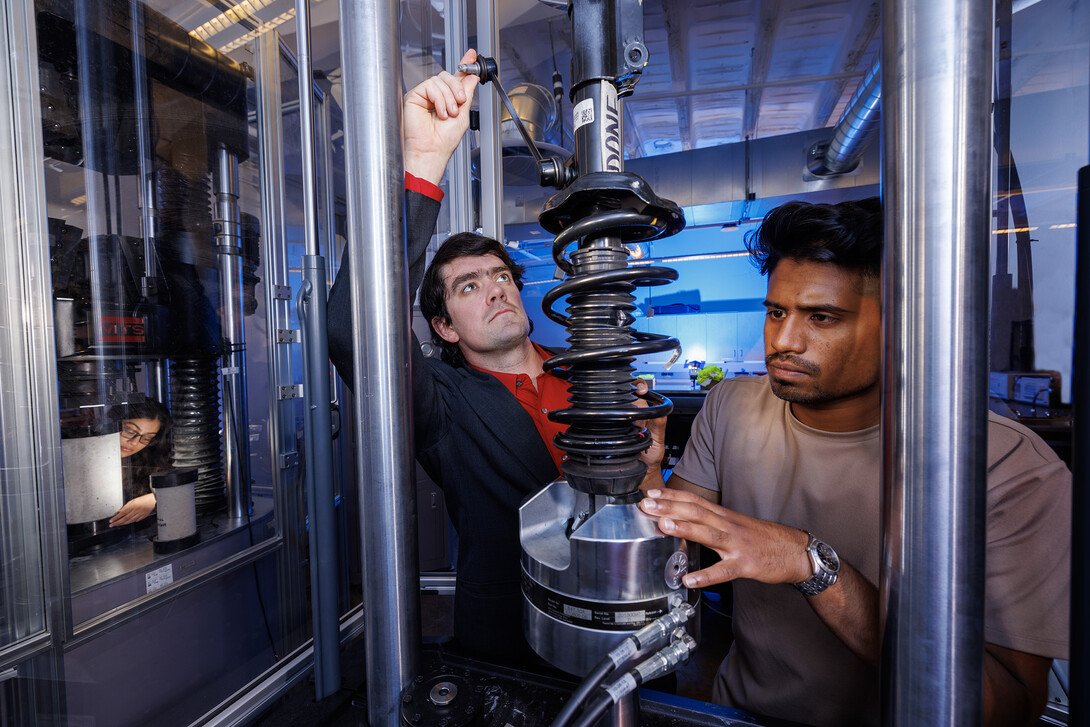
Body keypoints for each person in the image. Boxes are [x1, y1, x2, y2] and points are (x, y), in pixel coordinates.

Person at [636, 198, 1071, 726]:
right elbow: (674, 542)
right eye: (776, 312)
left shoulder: (1004, 466)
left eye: (822, 317)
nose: (783, 341)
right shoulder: (732, 406)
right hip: (740, 714)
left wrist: (811, 562)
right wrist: (645, 463)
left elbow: (1009, 708)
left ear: (901, 324)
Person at [329, 50, 589, 667]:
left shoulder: (587, 374)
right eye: (468, 286)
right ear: (442, 327)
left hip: (618, 621)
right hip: (514, 638)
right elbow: (351, 330)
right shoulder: (441, 403)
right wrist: (424, 163)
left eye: (500, 275)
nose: (496, 287)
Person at [108, 399, 173, 528]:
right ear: (112, 423)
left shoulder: (146, 463)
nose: (134, 443)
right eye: (130, 431)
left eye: (147, 438)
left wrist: (155, 498)